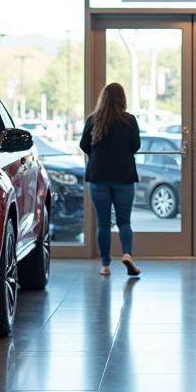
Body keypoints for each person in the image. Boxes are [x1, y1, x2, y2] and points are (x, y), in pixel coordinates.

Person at [80, 83, 142, 277]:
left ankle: (105, 265)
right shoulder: (129, 120)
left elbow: (83, 145)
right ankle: (127, 255)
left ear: (103, 99)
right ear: (122, 99)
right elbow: (136, 146)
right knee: (124, 222)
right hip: (124, 177)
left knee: (104, 223)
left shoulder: (93, 120)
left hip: (99, 177)